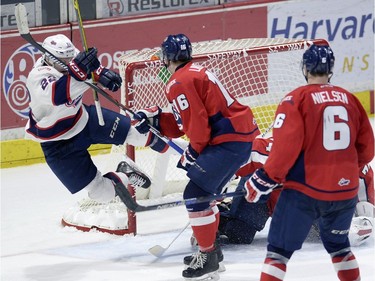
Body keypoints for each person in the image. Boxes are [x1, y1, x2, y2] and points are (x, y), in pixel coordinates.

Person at [134, 33, 260, 280]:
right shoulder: (191, 73)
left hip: (229, 141)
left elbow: (199, 127)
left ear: (167, 57)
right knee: (205, 194)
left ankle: (208, 256)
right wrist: (157, 120)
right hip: (236, 137)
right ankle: (212, 253)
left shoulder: (178, 81)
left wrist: (193, 152)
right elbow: (186, 122)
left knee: (195, 196)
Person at [244, 44, 374, 281]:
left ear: (304, 68)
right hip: (345, 193)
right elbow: (367, 150)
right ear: (331, 68)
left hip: (306, 192)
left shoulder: (296, 99)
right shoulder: (351, 100)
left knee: (278, 254)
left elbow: (284, 149)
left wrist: (264, 179)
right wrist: (341, 170)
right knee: (340, 248)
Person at [25, 34, 173, 204]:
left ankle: (191, 156)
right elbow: (58, 95)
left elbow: (91, 69)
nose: (67, 62)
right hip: (58, 145)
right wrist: (79, 71)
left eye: (69, 58)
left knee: (141, 135)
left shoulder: (71, 57)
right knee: (103, 194)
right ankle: (126, 174)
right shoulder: (38, 76)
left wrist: (105, 76)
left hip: (85, 121)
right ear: (49, 58)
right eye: (63, 60)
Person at [214, 136, 374, 246]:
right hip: (262, 195)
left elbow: (366, 207)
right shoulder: (279, 148)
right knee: (239, 234)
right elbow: (243, 156)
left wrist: (363, 217)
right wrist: (217, 184)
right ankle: (217, 217)